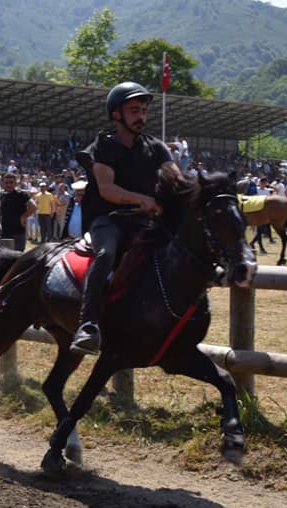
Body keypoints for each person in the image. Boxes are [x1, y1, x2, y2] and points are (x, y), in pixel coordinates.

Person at [70, 81, 180, 356]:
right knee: (106, 254)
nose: (141, 116)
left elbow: (174, 176)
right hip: (108, 219)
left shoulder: (156, 147)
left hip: (144, 222)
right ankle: (87, 325)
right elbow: (107, 190)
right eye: (134, 110)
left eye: (143, 110)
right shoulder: (102, 146)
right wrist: (142, 199)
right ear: (116, 114)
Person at [0, 172, 35, 251]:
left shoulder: (21, 194)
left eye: (11, 182)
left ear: (16, 183)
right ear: (3, 183)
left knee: (17, 258)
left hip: (18, 232)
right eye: (6, 182)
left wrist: (24, 216)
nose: (9, 185)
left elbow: (33, 207)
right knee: (4, 259)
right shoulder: (2, 195)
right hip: (5, 232)